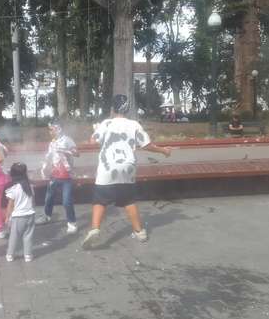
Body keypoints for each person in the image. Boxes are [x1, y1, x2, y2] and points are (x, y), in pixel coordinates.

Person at [81, 94, 172, 249]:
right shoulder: (134, 124)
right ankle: (139, 232)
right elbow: (147, 145)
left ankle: (95, 228)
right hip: (127, 167)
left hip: (107, 167)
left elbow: (92, 142)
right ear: (127, 109)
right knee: (128, 200)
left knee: (100, 200)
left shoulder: (106, 123)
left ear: (112, 109)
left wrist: (95, 131)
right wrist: (163, 150)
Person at [35, 121, 79, 234]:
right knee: (49, 198)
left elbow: (77, 153)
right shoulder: (53, 142)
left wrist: (65, 150)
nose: (50, 132)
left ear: (58, 129)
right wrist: (44, 167)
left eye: (51, 130)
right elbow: (49, 156)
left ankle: (72, 223)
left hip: (67, 176)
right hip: (54, 175)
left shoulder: (67, 140)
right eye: (49, 130)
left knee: (67, 201)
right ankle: (47, 216)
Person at [5, 162, 35, 262]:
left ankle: (10, 255)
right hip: (30, 215)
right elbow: (33, 201)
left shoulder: (14, 189)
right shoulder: (29, 187)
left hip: (18, 217)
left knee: (14, 236)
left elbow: (10, 205)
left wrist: (7, 217)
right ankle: (28, 255)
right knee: (28, 236)